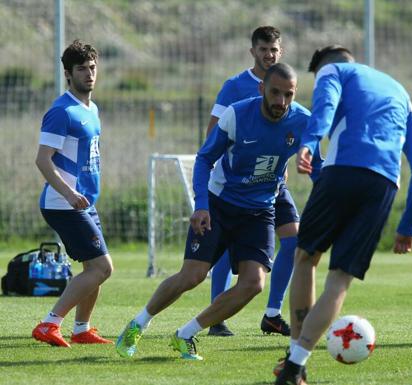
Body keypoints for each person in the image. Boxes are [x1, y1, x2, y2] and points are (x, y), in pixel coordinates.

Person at [116, 63, 322, 360]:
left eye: (288, 95)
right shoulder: (237, 115)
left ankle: (185, 334)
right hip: (220, 205)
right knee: (192, 276)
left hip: (261, 210)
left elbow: (316, 166)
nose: (281, 102)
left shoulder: (303, 121)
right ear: (261, 88)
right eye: (275, 92)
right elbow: (204, 159)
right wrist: (201, 205)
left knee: (253, 283)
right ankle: (137, 324)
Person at [274, 45, 412, 385]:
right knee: (340, 279)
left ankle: (293, 359)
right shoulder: (399, 91)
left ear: (325, 69)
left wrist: (310, 141)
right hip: (384, 185)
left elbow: (326, 107)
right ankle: (296, 363)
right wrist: (408, 226)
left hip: (342, 171)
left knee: (305, 257)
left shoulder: (335, 72)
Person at [205, 25, 297, 337]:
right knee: (226, 245)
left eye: (274, 50)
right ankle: (216, 316)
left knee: (295, 238)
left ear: (280, 51)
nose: (269, 55)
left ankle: (272, 313)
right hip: (236, 185)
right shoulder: (235, 86)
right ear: (252, 52)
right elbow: (213, 132)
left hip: (272, 183)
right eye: (263, 50)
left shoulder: (285, 84)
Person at [31, 40, 113, 347]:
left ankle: (82, 329)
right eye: (82, 69)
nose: (89, 74)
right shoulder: (61, 111)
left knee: (93, 268)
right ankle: (49, 324)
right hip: (63, 203)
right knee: (103, 267)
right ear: (68, 73)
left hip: (84, 201)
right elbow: (42, 159)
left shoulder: (92, 109)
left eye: (92, 67)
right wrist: (68, 194)